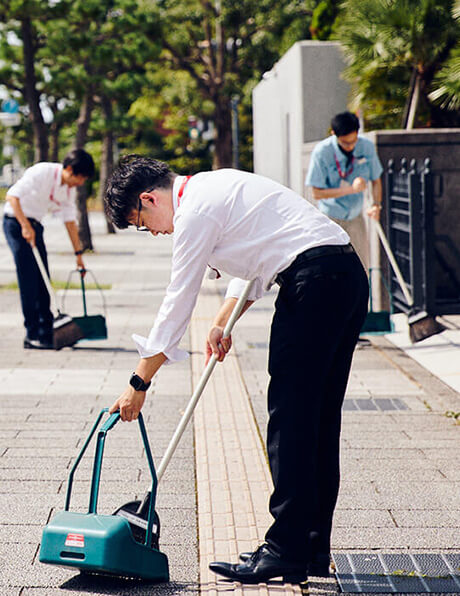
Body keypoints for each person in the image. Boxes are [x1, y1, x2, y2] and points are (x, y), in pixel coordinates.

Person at [103, 155, 368, 585]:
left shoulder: (193, 212)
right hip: (343, 277)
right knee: (317, 422)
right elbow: (262, 257)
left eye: (142, 222)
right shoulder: (215, 185)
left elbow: (178, 300)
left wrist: (139, 381)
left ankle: (284, 550)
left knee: (291, 422)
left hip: (314, 284)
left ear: (149, 198)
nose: (153, 232)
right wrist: (224, 320)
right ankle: (309, 548)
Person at [3, 148, 95, 350]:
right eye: (80, 178)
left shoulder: (68, 190)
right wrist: (25, 227)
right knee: (28, 278)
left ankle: (47, 332)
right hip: (15, 222)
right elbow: (12, 197)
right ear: (69, 169)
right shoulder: (42, 172)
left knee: (42, 279)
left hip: (34, 225)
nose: (80, 183)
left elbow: (70, 222)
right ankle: (32, 334)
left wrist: (78, 255)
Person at [305, 111, 383, 271]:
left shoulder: (366, 147)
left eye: (353, 141)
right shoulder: (322, 152)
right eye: (345, 143)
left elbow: (376, 180)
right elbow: (316, 193)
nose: (351, 146)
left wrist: (376, 205)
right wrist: (351, 190)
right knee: (331, 269)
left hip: (356, 217)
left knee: (361, 266)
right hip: (330, 217)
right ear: (334, 134)